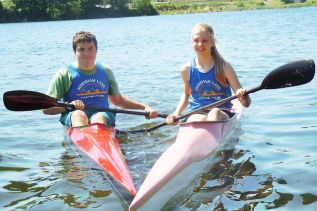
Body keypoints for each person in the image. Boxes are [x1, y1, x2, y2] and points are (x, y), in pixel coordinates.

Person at [43, 31, 157, 127]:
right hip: (74, 116)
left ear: (96, 50)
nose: (86, 53)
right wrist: (68, 106)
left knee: (99, 119)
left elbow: (118, 100)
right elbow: (46, 109)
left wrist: (145, 107)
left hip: (103, 115)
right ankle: (85, 145)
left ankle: (99, 145)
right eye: (81, 49)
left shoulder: (106, 71)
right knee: (78, 114)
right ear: (74, 52)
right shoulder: (64, 74)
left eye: (90, 48)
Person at [166, 23, 251, 125]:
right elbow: (187, 94)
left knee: (214, 113)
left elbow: (246, 104)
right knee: (197, 119)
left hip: (222, 112)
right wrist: (176, 113)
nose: (200, 44)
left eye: (204, 41)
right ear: (192, 43)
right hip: (197, 112)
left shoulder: (225, 67)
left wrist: (244, 96)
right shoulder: (186, 70)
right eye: (196, 40)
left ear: (212, 42)